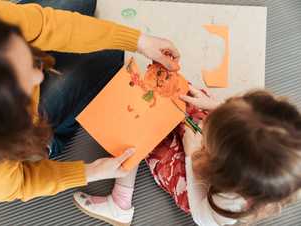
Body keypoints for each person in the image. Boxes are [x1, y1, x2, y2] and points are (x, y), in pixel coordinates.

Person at [0, 0, 181, 203]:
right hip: (23, 139)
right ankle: (47, 143)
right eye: (21, 92)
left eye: (17, 39)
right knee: (109, 57)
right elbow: (24, 182)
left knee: (80, 3)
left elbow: (45, 25)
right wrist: (90, 171)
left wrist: (139, 41)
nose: (39, 75)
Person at [74, 87, 301, 226]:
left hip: (195, 184)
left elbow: (200, 216)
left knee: (141, 130)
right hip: (220, 153)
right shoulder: (285, 148)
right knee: (181, 98)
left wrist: (191, 154)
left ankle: (120, 204)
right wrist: (218, 107)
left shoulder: (227, 205)